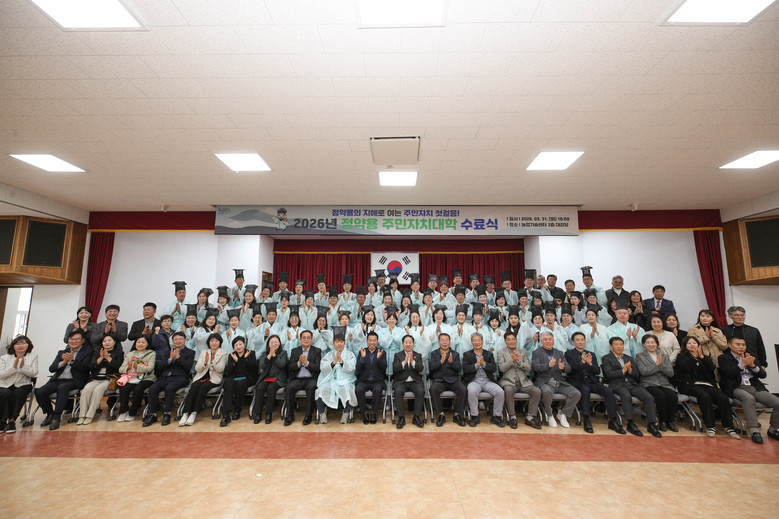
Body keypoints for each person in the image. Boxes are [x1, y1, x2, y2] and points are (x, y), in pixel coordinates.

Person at [675, 336, 739, 439]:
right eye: (689, 343)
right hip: (691, 385)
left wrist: (702, 357)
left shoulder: (704, 357)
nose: (692, 345)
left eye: (694, 343)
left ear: (698, 345)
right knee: (705, 396)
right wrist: (694, 358)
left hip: (707, 384)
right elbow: (686, 367)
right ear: (685, 346)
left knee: (723, 398)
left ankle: (729, 427)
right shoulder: (681, 357)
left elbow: (712, 368)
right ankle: (710, 426)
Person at [718, 336, 779, 444]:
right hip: (737, 387)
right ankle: (754, 430)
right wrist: (742, 365)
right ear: (729, 345)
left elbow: (763, 375)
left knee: (777, 402)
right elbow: (729, 373)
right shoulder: (724, 358)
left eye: (743, 345)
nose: (741, 347)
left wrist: (753, 365)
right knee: (748, 398)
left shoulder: (750, 356)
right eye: (738, 344)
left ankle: (773, 429)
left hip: (755, 387)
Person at [601, 337, 662, 438]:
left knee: (648, 397)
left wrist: (629, 370)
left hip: (631, 384)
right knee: (626, 396)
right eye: (616, 344)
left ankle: (652, 424)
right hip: (617, 384)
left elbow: (637, 375)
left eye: (621, 344)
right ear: (611, 346)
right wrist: (622, 371)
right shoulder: (606, 358)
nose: (619, 346)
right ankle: (630, 423)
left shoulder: (629, 358)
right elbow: (608, 374)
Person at [564, 332, 623, 434]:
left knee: (608, 391)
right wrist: (582, 363)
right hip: (578, 381)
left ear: (585, 341)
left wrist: (590, 363)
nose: (580, 342)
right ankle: (587, 420)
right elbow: (571, 371)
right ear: (573, 342)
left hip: (591, 381)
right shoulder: (569, 354)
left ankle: (613, 420)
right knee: (585, 390)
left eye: (582, 339)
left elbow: (597, 371)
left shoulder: (591, 354)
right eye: (577, 340)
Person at [35, 329, 92, 431]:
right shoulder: (62, 352)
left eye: (77, 339)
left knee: (63, 388)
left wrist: (72, 360)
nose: (74, 341)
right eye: (71, 339)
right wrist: (63, 362)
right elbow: (52, 369)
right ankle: (50, 414)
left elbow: (85, 368)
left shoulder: (87, 352)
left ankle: (57, 418)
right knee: (40, 392)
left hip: (75, 380)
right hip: (58, 379)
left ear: (83, 340)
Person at [142, 331, 194, 427]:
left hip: (180, 378)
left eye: (180, 339)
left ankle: (167, 414)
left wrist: (178, 358)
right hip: (165, 377)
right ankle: (152, 415)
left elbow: (188, 366)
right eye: (176, 339)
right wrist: (170, 359)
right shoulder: (167, 352)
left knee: (169, 388)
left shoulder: (190, 352)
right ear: (173, 341)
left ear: (185, 340)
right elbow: (160, 366)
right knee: (152, 389)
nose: (178, 341)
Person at [531, 332, 580, 428]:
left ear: (553, 340)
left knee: (576, 393)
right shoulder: (536, 352)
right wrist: (548, 365)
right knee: (547, 392)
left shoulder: (560, 353)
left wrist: (563, 368)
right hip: (545, 382)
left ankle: (563, 414)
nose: (548, 341)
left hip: (559, 381)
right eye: (545, 339)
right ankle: (549, 415)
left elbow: (568, 368)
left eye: (550, 339)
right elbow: (535, 367)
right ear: (541, 341)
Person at [498, 331, 542, 430]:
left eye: (513, 339)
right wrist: (511, 360)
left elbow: (529, 368)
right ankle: (512, 417)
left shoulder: (523, 352)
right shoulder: (501, 352)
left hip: (524, 382)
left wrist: (519, 362)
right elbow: (502, 368)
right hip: (508, 381)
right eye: (509, 340)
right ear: (505, 341)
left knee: (537, 391)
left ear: (516, 340)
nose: (511, 341)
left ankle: (530, 417)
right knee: (508, 390)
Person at [78, 334, 124, 426]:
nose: (107, 343)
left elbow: (119, 367)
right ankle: (82, 416)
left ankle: (89, 416)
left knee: (98, 390)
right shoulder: (97, 352)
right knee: (86, 390)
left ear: (114, 342)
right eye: (104, 341)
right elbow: (91, 366)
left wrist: (107, 358)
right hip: (96, 379)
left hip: (108, 379)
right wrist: (100, 358)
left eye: (109, 340)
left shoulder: (119, 353)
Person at [635, 334, 678, 433]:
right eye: (648, 342)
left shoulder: (664, 356)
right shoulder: (640, 356)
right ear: (644, 344)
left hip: (664, 383)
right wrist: (656, 365)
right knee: (660, 396)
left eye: (653, 342)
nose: (651, 344)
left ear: (657, 344)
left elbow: (671, 373)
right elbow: (643, 372)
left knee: (672, 396)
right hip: (648, 383)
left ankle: (670, 421)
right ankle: (662, 421)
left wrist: (660, 366)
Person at [463, 333, 505, 428]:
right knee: (472, 391)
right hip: (474, 381)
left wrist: (484, 364)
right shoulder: (467, 354)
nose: (477, 342)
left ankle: (496, 416)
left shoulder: (488, 354)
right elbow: (465, 369)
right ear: (472, 342)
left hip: (487, 381)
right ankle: (474, 416)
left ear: (482, 342)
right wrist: (477, 365)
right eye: (474, 340)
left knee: (500, 392)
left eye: (479, 340)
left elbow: (494, 368)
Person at [314, 334, 357, 424]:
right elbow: (323, 368)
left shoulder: (350, 354)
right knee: (320, 391)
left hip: (345, 380)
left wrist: (341, 362)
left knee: (348, 390)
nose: (339, 344)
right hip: (330, 380)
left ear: (344, 342)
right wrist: (333, 362)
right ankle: (322, 413)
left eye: (341, 342)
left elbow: (352, 368)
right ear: (333, 343)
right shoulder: (329, 355)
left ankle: (346, 413)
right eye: (337, 342)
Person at [0, 336, 38, 434]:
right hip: (5, 384)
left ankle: (12, 420)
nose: (21, 346)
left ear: (28, 345)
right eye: (17, 344)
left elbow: (34, 373)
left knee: (19, 393)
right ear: (13, 346)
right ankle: (2, 420)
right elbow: (1, 375)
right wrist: (13, 367)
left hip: (23, 383)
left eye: (23, 343)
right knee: (5, 393)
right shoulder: (4, 358)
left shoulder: (33, 356)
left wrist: (22, 368)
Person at [428, 333, 467, 427]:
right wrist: (440, 362)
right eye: (442, 340)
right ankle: (441, 414)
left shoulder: (455, 354)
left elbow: (459, 369)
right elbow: (431, 368)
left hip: (453, 380)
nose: (444, 342)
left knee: (463, 389)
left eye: (446, 340)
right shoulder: (434, 353)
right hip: (439, 380)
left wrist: (452, 362)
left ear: (450, 342)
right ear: (438, 342)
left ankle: (457, 414)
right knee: (433, 389)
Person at [284, 330, 321, 426]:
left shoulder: (317, 351)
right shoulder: (295, 351)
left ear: (311, 339)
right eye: (304, 337)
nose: (306, 339)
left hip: (310, 379)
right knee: (289, 388)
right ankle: (289, 415)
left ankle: (308, 416)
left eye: (308, 338)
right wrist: (299, 363)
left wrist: (307, 363)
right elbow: (289, 367)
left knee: (312, 387)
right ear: (300, 339)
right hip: (297, 379)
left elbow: (318, 367)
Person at [115, 336, 156, 423]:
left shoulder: (152, 353)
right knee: (123, 388)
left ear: (147, 344)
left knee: (138, 389)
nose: (140, 344)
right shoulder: (130, 354)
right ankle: (123, 411)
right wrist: (128, 367)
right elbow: (121, 369)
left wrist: (137, 367)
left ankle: (133, 412)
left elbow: (150, 369)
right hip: (132, 378)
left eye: (143, 342)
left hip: (147, 378)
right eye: (138, 342)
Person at [220, 337, 258, 427]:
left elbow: (254, 369)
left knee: (240, 384)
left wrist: (246, 359)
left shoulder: (251, 353)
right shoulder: (232, 355)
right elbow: (229, 371)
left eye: (240, 344)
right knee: (228, 384)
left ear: (244, 344)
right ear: (234, 347)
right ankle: (225, 414)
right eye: (236, 345)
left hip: (247, 378)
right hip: (234, 378)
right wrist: (235, 362)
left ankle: (237, 409)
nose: (238, 346)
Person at [252, 335, 288, 424]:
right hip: (266, 378)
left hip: (278, 379)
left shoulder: (283, 353)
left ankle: (269, 413)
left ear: (279, 343)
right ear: (268, 344)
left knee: (271, 388)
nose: (274, 344)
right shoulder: (264, 354)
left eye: (276, 342)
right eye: (272, 342)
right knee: (260, 388)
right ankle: (258, 413)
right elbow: (261, 366)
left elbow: (281, 365)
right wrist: (269, 356)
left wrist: (274, 356)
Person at [392, 334, 425, 429]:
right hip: (401, 382)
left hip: (415, 381)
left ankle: (416, 417)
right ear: (402, 344)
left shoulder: (418, 355)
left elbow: (420, 368)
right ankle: (401, 418)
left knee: (420, 391)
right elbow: (395, 369)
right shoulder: (398, 355)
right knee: (398, 391)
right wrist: (404, 362)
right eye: (406, 342)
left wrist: (413, 362)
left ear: (413, 344)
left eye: (410, 342)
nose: (408, 344)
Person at [355, 331, 387, 425]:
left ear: (377, 341)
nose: (372, 342)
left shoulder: (382, 352)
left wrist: (379, 359)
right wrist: (362, 359)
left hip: (376, 380)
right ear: (367, 341)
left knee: (378, 389)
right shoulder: (362, 352)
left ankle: (373, 413)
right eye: (370, 340)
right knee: (358, 389)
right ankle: (364, 413)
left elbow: (384, 368)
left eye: (374, 340)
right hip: (364, 380)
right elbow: (358, 369)